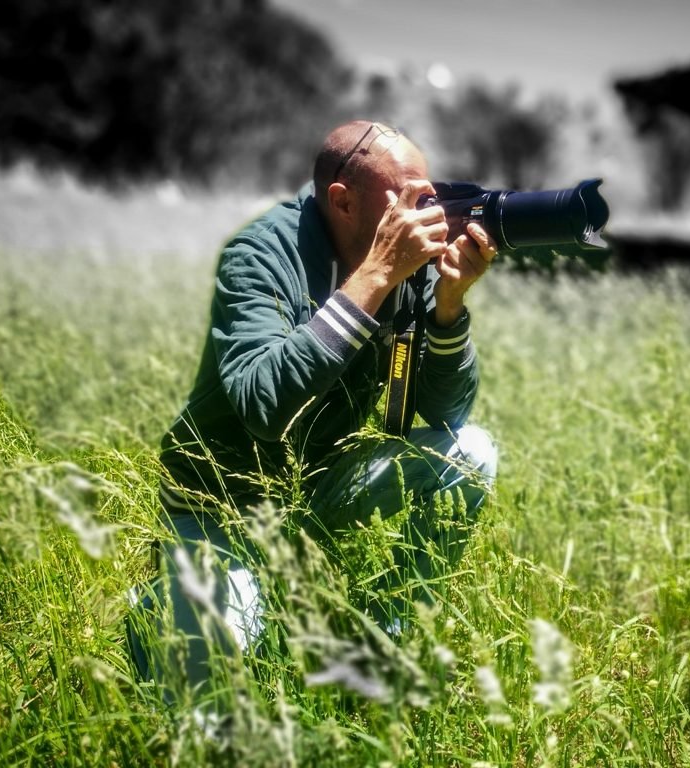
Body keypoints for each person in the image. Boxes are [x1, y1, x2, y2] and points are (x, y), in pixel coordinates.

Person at [127, 120, 499, 704]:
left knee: (470, 455)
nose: (424, 210)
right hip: (219, 504)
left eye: (428, 193)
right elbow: (263, 404)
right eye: (406, 196)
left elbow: (444, 411)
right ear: (343, 202)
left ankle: (379, 652)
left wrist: (448, 306)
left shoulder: (411, 263)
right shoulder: (261, 254)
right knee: (216, 676)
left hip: (317, 489)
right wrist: (376, 276)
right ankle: (162, 605)